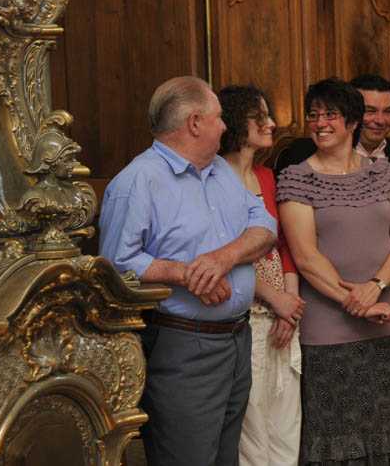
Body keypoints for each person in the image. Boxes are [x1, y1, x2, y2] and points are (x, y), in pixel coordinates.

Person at [98, 76, 277, 466]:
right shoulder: (138, 181)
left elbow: (266, 227)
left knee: (226, 459)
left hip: (238, 340)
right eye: (219, 117)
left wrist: (223, 258)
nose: (225, 126)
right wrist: (185, 274)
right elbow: (114, 265)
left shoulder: (222, 170)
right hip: (184, 348)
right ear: (195, 122)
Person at [277, 77, 390, 465]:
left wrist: (376, 287)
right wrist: (358, 302)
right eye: (313, 115)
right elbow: (306, 257)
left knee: (382, 433)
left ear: (353, 121)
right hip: (328, 329)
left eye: (330, 115)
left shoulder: (384, 174)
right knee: (332, 437)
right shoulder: (297, 177)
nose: (320, 123)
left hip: (388, 322)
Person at [217, 85, 305, 466]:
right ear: (238, 122)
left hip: (283, 315)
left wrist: (290, 308)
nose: (272, 123)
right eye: (261, 117)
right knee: (251, 429)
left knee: (287, 424)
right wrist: (274, 299)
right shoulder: (211, 178)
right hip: (243, 316)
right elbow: (224, 253)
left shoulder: (268, 176)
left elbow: (284, 244)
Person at [275, 74, 390, 192]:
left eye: (387, 111)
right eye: (370, 111)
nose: (380, 120)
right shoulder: (301, 153)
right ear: (353, 115)